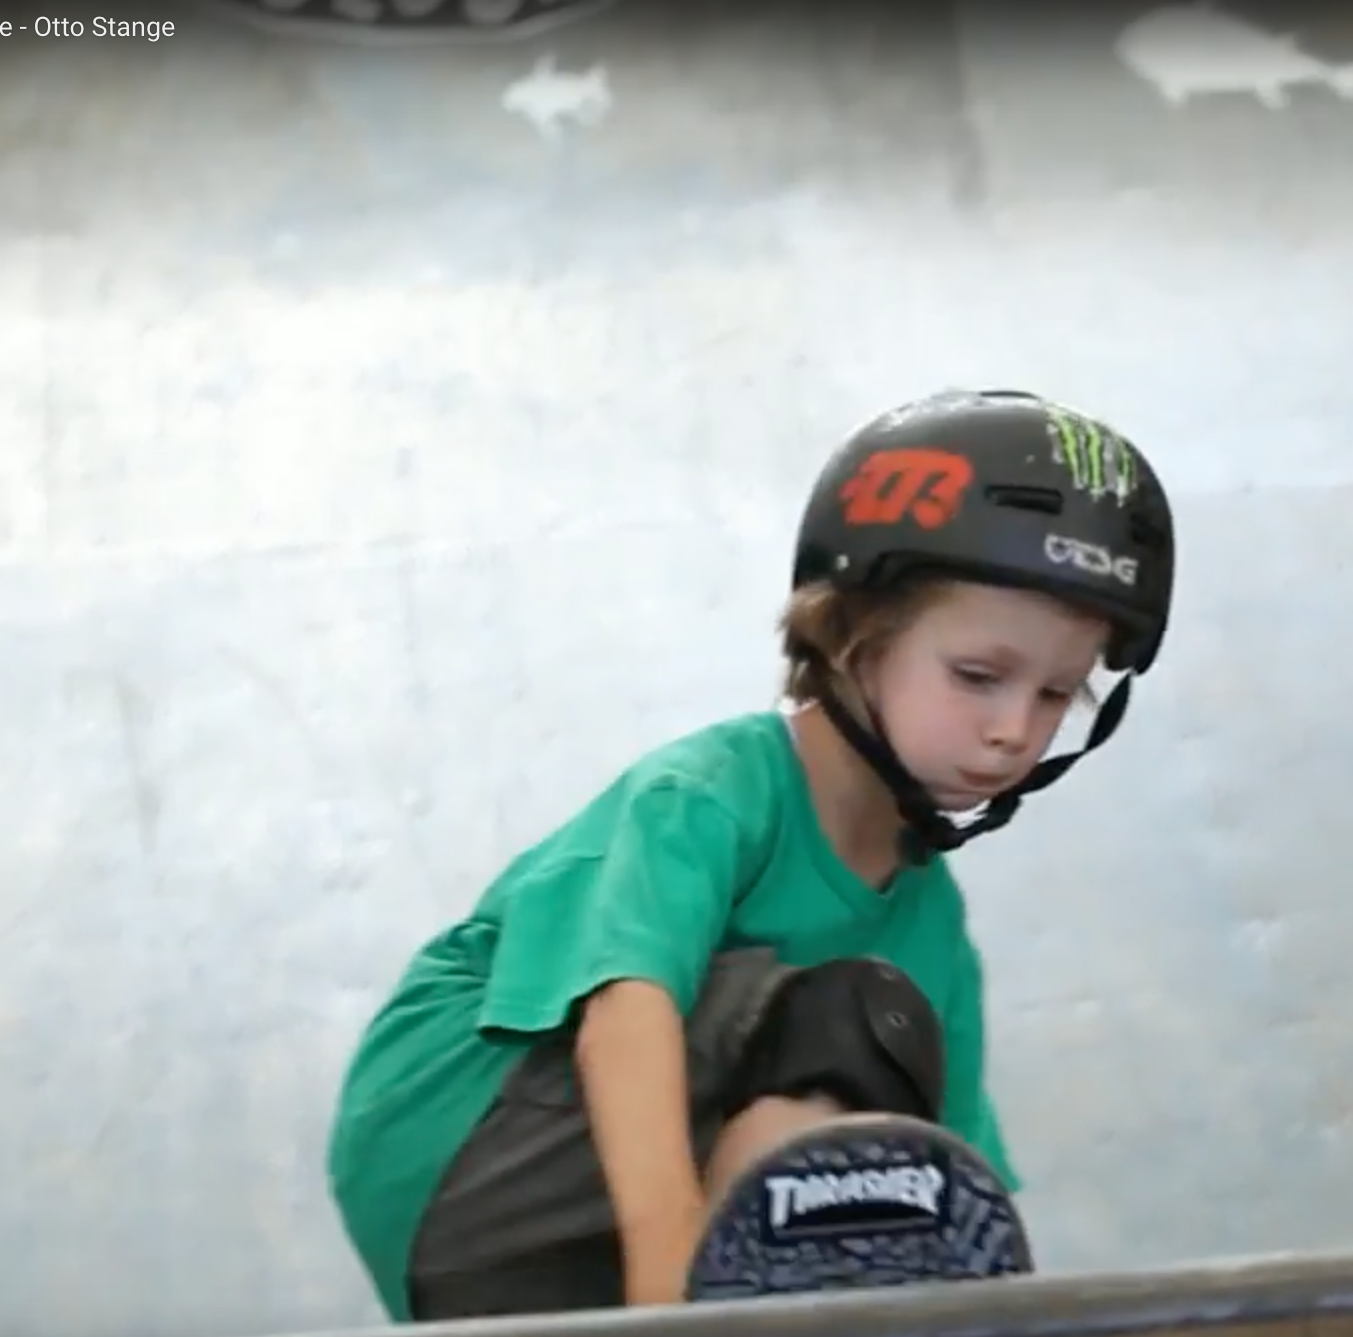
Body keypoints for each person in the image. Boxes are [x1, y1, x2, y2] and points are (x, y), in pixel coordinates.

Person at [324, 388, 1178, 1321]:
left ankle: (750, 1286)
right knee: (852, 1015)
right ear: (851, 637)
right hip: (463, 1139)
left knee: (895, 1128)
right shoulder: (711, 794)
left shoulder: (929, 917)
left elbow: (963, 1190)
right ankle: (724, 1299)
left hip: (587, 1238)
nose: (1014, 729)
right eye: (977, 676)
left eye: (1058, 694)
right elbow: (625, 1014)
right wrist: (669, 1288)